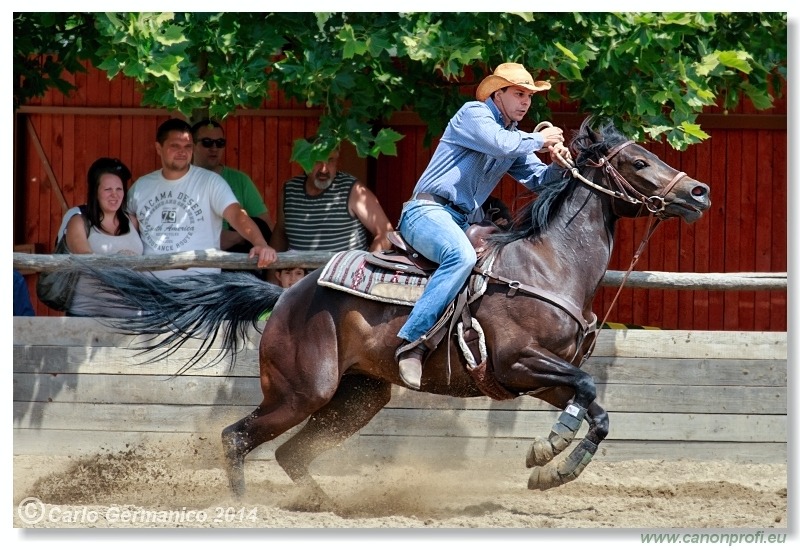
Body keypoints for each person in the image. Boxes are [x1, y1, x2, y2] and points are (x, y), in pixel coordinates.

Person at [394, 62, 571, 389]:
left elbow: (539, 181)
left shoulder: (516, 137)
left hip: (459, 220)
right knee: (461, 257)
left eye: (529, 97)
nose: (526, 102)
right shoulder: (473, 114)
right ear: (497, 93)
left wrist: (559, 165)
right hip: (426, 212)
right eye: (519, 94)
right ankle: (412, 344)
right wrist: (539, 139)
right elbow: (500, 144)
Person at [128, 118, 277, 279]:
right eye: (175, 146)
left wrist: (260, 243)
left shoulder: (211, 182)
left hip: (200, 286)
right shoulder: (141, 186)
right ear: (159, 147)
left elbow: (236, 214)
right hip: (151, 287)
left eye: (188, 146)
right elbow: (123, 225)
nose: (182, 152)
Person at [269, 141, 394, 254]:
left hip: (343, 278)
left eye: (330, 160)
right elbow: (280, 235)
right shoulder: (290, 190)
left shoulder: (353, 190)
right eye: (318, 160)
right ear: (305, 161)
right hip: (301, 278)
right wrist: (272, 278)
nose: (324, 169)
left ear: (337, 162)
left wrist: (364, 270)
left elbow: (385, 232)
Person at [64, 157, 144, 317]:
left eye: (119, 189)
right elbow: (86, 261)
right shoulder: (78, 222)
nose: (114, 195)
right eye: (108, 189)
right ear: (95, 192)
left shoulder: (132, 221)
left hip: (131, 318)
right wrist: (119, 260)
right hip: (87, 317)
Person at [190, 118, 274, 253]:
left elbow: (265, 226)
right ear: (192, 145)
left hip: (238, 258)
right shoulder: (181, 180)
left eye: (220, 143)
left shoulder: (240, 180)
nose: (214, 148)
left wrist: (235, 237)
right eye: (207, 143)